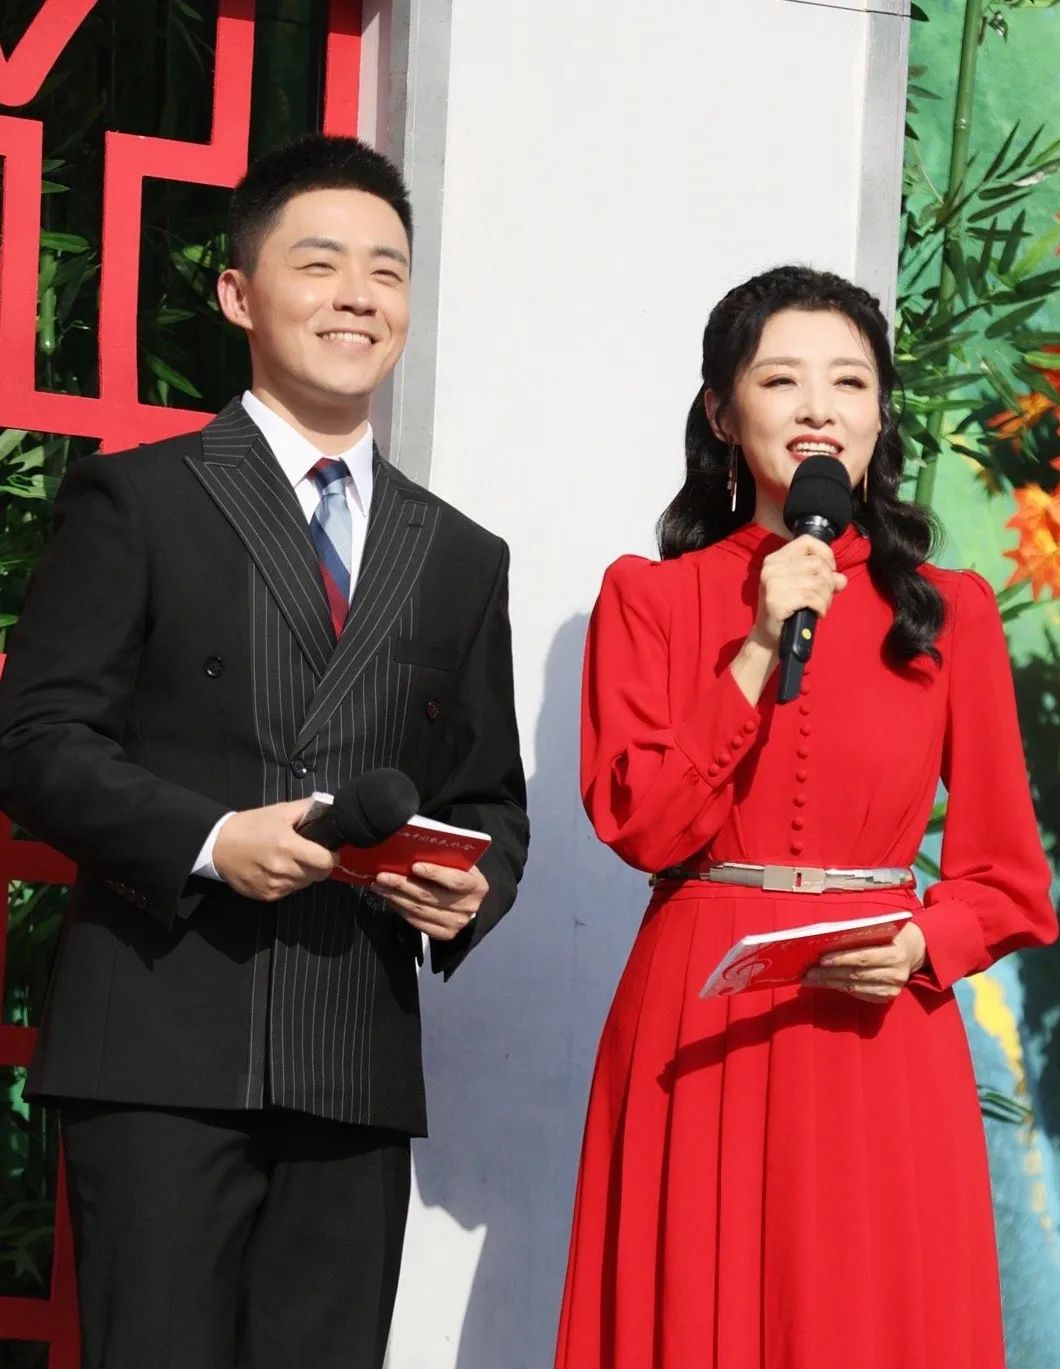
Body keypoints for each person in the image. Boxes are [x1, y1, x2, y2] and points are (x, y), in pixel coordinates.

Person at [0, 134, 528, 1369]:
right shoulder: (140, 499)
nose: (358, 296)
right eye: (321, 263)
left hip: (352, 1056)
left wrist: (469, 887)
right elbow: (32, 740)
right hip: (163, 1041)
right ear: (240, 294)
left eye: (387, 271)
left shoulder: (459, 554)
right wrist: (210, 838)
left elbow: (490, 800)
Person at [554, 265, 1056, 1369]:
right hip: (697, 1013)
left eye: (849, 381)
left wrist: (922, 943)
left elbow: (1007, 880)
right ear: (722, 414)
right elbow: (640, 823)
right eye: (781, 380)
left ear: (879, 416)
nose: (818, 407)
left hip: (880, 1020)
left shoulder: (950, 611)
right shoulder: (649, 596)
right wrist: (753, 645)